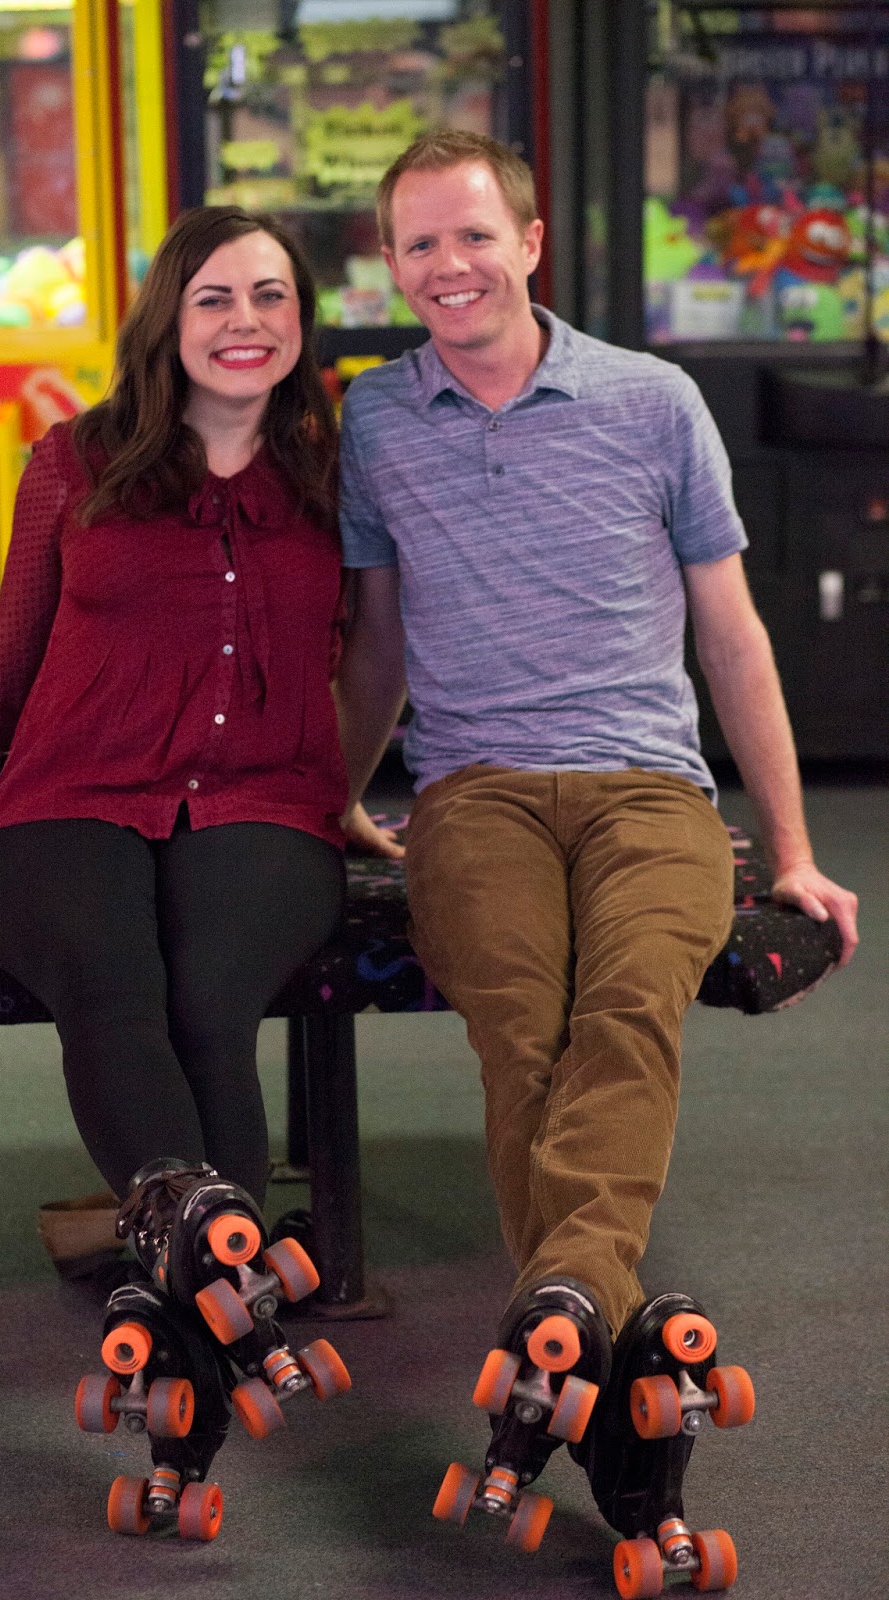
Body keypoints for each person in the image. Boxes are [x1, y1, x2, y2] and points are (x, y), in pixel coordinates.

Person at [334, 131, 859, 1588]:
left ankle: (561, 1315)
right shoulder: (376, 420)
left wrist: (797, 849)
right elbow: (375, 643)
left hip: (650, 789)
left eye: (473, 237)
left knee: (629, 1006)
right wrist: (332, 795)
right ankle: (606, 1362)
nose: (449, 267)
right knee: (524, 1035)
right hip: (477, 789)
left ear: (533, 240)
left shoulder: (652, 402)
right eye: (420, 245)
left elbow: (731, 634)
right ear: (394, 265)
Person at [0, 205, 398, 1538]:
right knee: (113, 988)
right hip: (69, 795)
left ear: (301, 323)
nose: (247, 324)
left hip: (264, 804)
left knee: (212, 1002)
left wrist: (345, 797)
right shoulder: (78, 460)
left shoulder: (337, 469)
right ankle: (226, 1292)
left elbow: (371, 653)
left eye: (273, 298)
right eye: (217, 297)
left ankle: (181, 1306)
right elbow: (14, 651)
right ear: (168, 316)